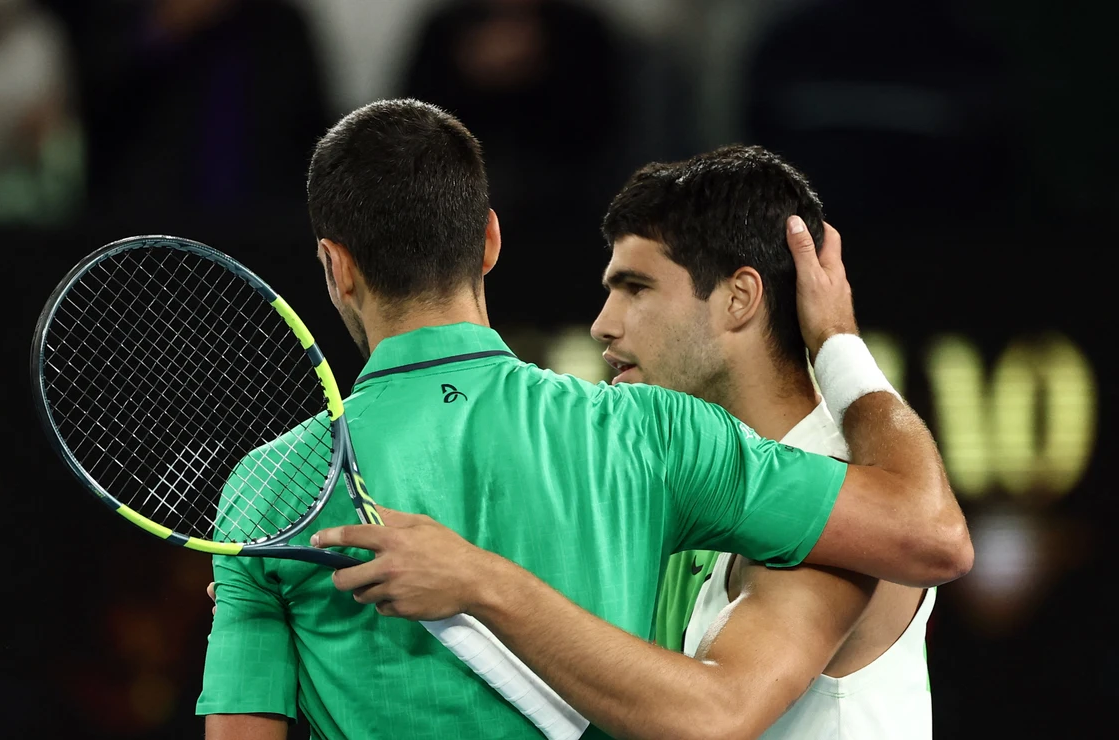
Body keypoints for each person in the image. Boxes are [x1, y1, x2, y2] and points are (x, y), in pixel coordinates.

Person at [198, 99, 970, 740]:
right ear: (489, 240)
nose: (603, 322)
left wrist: (839, 347)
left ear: (336, 267)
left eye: (636, 287)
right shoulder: (653, 443)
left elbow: (720, 709)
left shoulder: (268, 492)